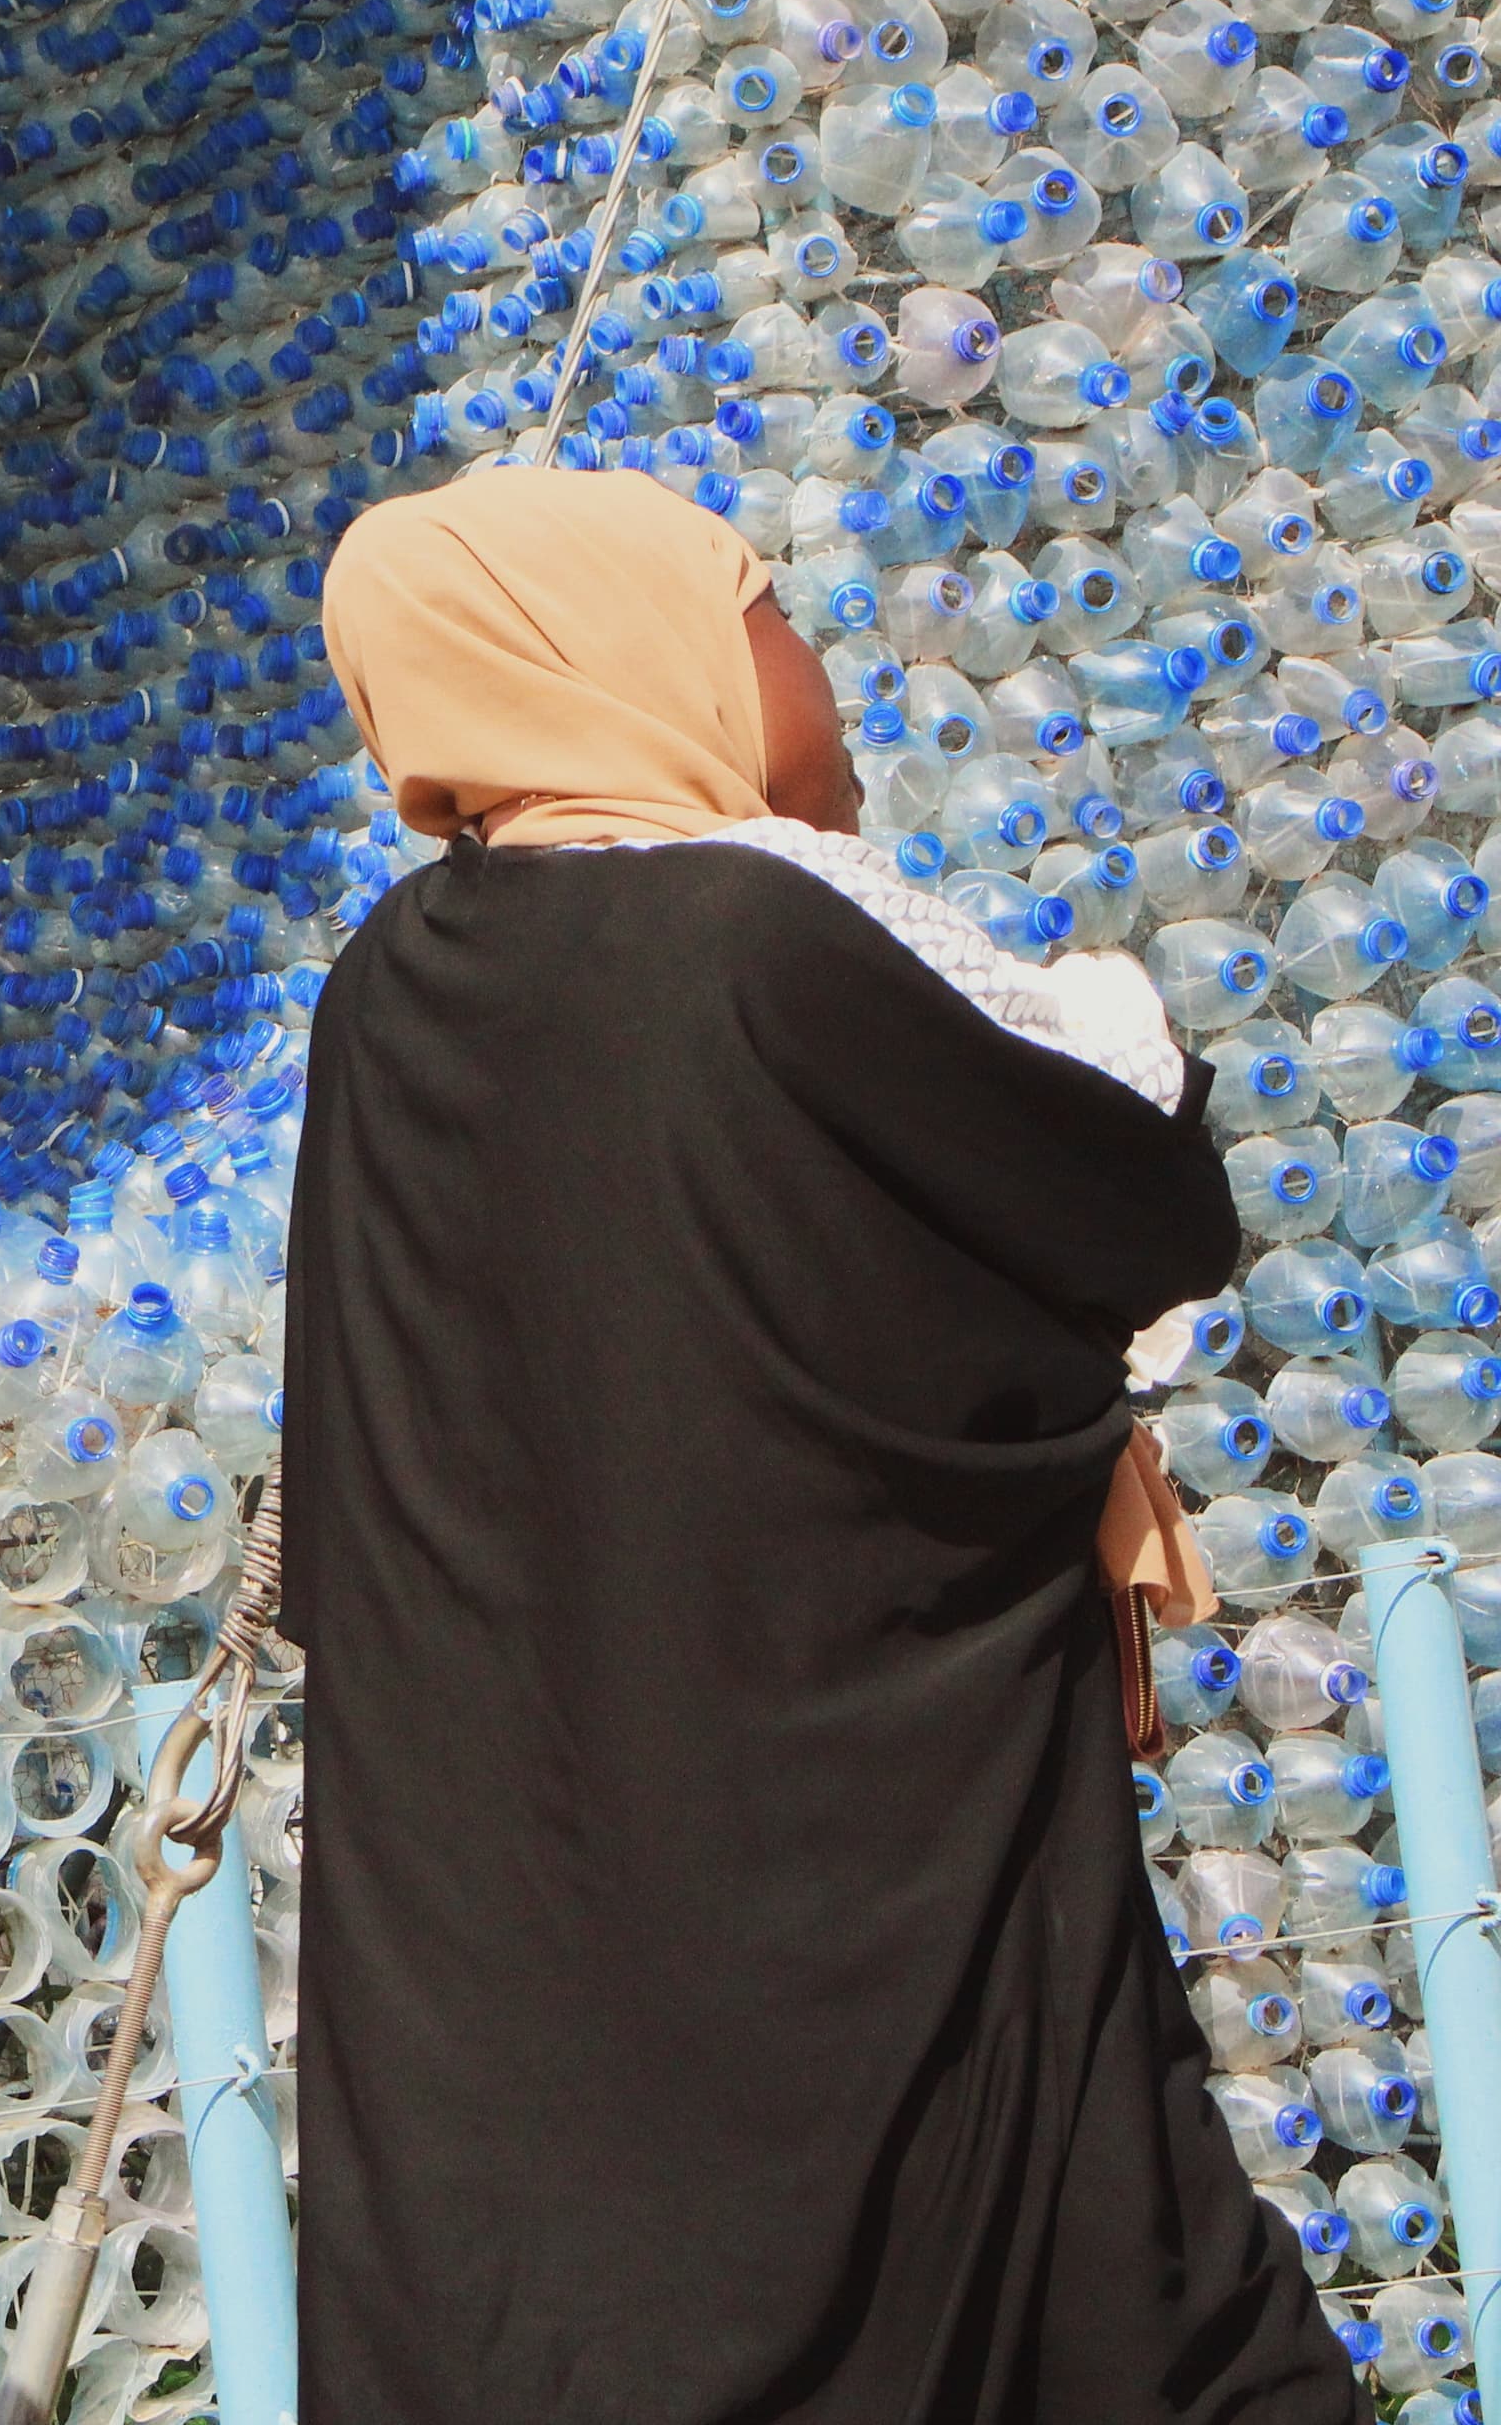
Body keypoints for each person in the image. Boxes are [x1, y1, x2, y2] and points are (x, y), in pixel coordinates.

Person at [287, 467, 1357, 2423]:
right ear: (629, 656)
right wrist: (1124, 1017)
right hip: (874, 1931)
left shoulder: (384, 1001)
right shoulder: (754, 938)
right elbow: (1132, 1198)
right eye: (766, 611)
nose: (813, 667)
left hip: (534, 1998)